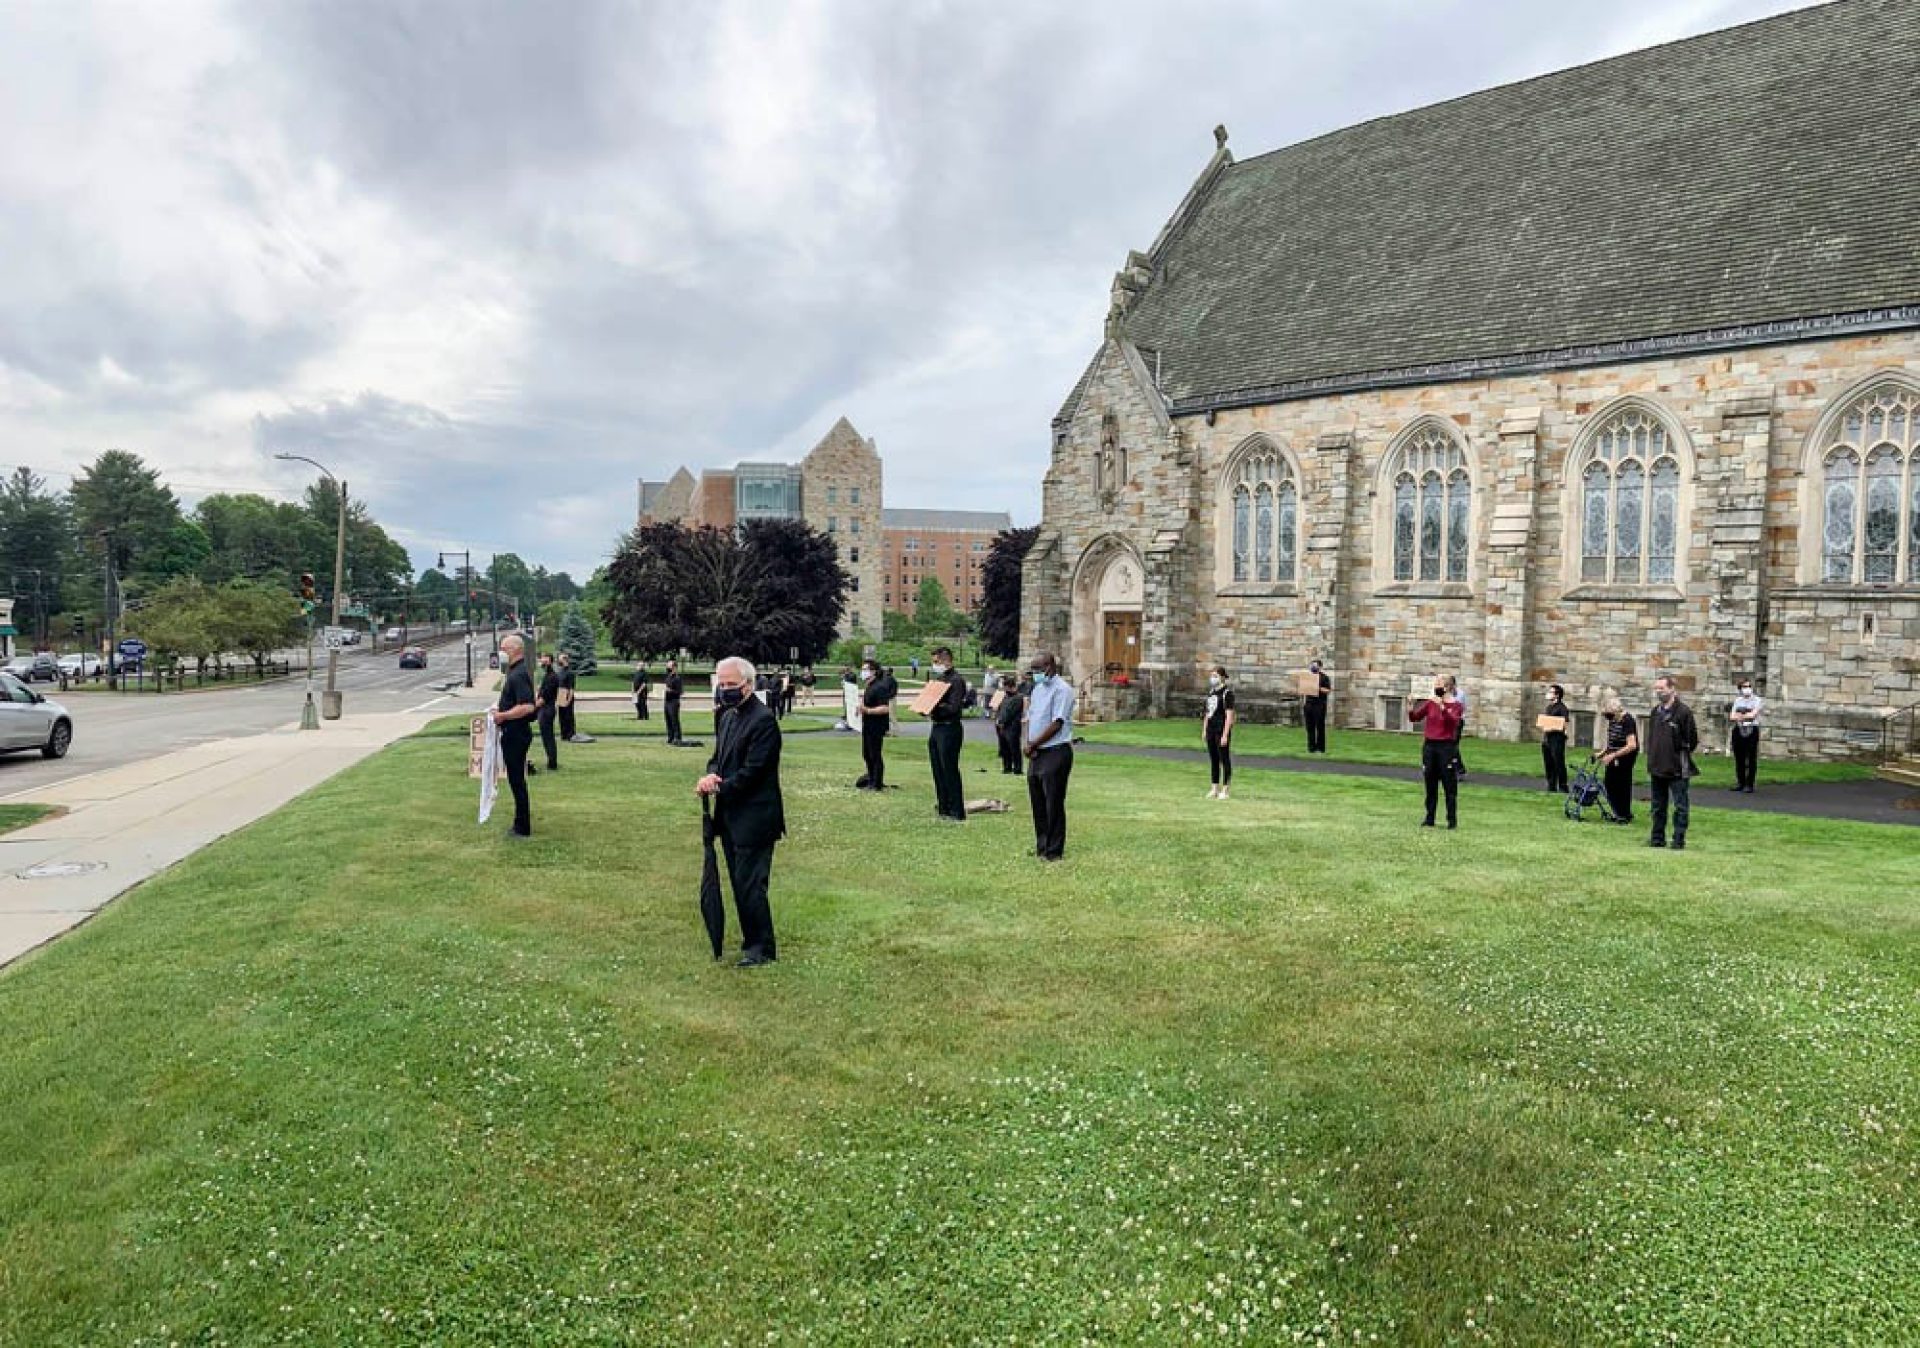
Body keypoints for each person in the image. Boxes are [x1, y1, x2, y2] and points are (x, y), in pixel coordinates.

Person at [696, 656, 784, 967]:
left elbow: (753, 772)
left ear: (748, 684)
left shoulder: (763, 721)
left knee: (751, 884)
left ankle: (762, 947)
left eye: (731, 684)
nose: (725, 689)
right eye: (721, 684)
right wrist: (710, 775)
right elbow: (718, 758)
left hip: (756, 817)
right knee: (738, 880)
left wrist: (720, 787)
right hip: (730, 816)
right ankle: (751, 940)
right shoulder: (727, 717)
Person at [1024, 652, 1075, 860]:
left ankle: (1054, 850)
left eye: (1037, 670)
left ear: (1049, 667)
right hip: (1037, 751)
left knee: (1053, 801)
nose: (1035, 674)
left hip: (1055, 750)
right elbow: (1032, 718)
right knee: (1038, 801)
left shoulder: (1062, 690)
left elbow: (1057, 723)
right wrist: (1028, 743)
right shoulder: (1038, 689)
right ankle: (1042, 845)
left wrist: (1035, 742)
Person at [489, 634, 537, 839]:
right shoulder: (514, 672)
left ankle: (522, 827)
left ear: (515, 650)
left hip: (516, 733)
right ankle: (520, 822)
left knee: (517, 781)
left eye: (504, 649)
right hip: (512, 732)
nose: (501, 653)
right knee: (515, 779)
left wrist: (503, 715)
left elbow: (527, 706)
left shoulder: (518, 675)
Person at [1645, 673, 1699, 850]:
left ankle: (1678, 839)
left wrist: (1678, 751)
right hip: (1657, 766)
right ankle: (1657, 837)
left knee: (1680, 805)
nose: (1659, 692)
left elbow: (1692, 738)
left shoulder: (1683, 712)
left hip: (1677, 767)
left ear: (1671, 689)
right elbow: (1651, 737)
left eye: (1662, 688)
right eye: (1657, 688)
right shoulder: (1655, 712)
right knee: (1657, 805)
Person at [1409, 678, 1465, 828]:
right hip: (1430, 746)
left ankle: (1451, 820)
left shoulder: (1456, 705)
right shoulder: (1430, 703)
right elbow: (1415, 717)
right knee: (1430, 783)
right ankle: (1429, 818)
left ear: (1446, 688)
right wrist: (1410, 706)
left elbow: (1453, 722)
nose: (1435, 688)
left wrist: (1442, 707)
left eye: (1438, 686)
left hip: (1445, 747)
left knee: (1449, 785)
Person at [925, 645, 969, 821]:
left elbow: (954, 707)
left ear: (946, 660)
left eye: (937, 661)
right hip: (937, 727)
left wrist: (935, 706)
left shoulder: (956, 680)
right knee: (937, 769)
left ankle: (956, 810)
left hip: (950, 727)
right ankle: (943, 806)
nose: (935, 665)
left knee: (949, 769)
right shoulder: (940, 679)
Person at [1596, 695, 1639, 824]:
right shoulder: (1614, 719)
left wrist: (1613, 755)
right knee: (1609, 782)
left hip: (1625, 756)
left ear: (1615, 711)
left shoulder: (1627, 720)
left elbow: (1632, 745)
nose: (1607, 716)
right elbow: (1612, 739)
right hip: (1613, 753)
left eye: (1608, 713)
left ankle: (1624, 814)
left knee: (1621, 784)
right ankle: (1617, 811)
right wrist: (1603, 752)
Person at [858, 658, 896, 788]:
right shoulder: (869, 686)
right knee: (867, 753)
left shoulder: (879, 687)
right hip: (867, 724)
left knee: (875, 754)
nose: (863, 672)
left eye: (865, 669)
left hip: (876, 725)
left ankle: (877, 782)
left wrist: (868, 710)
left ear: (873, 671)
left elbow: (885, 708)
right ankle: (870, 777)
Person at [1204, 666, 1235, 799]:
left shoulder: (1227, 694)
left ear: (1222, 677)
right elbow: (1208, 712)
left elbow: (1229, 716)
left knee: (1224, 759)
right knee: (1214, 759)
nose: (1213, 678)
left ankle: (1225, 790)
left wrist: (1225, 734)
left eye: (1215, 675)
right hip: (1211, 727)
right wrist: (1205, 729)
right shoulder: (1211, 692)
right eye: (1212, 675)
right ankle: (1214, 788)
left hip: (1221, 728)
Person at [1730, 676, 1763, 793]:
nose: (1747, 689)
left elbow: (1753, 715)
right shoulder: (1738, 701)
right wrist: (1744, 716)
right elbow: (1732, 716)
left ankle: (1749, 784)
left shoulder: (1757, 700)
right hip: (1739, 729)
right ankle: (1740, 782)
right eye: (1744, 687)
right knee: (1739, 757)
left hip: (1752, 729)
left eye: (1749, 686)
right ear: (1740, 689)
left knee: (1751, 757)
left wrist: (1741, 716)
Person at [1541, 683, 1571, 794]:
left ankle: (1563, 786)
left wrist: (1552, 727)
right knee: (1548, 762)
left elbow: (1565, 723)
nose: (1548, 694)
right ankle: (1551, 785)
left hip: (1557, 739)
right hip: (1547, 738)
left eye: (1551, 692)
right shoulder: (1549, 707)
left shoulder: (1562, 708)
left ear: (1557, 695)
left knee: (1558, 762)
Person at [994, 674, 1025, 775]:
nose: (1005, 689)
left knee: (1014, 748)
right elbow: (1001, 710)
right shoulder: (1005, 697)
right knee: (1004, 748)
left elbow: (1010, 712)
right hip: (1003, 727)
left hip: (1012, 727)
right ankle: (1007, 767)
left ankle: (1017, 768)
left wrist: (1002, 721)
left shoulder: (1018, 698)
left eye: (1006, 687)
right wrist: (998, 720)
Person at [536, 651, 562, 772]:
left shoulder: (552, 677)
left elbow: (544, 697)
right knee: (547, 737)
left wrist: (533, 707)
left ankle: (552, 763)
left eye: (544, 660)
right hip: (545, 709)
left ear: (549, 661)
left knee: (548, 737)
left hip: (547, 709)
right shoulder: (547, 675)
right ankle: (551, 761)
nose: (541, 662)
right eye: (541, 659)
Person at [1303, 659, 1331, 753]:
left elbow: (1327, 690)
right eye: (1312, 665)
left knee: (1320, 727)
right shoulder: (1308, 677)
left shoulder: (1324, 678)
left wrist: (1317, 688)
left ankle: (1320, 748)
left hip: (1319, 705)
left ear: (1320, 667)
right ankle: (1311, 748)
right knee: (1309, 727)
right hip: (1309, 704)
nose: (1313, 667)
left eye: (1315, 665)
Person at [555, 652, 580, 742]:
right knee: (562, 715)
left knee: (568, 715)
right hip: (561, 694)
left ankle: (570, 734)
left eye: (560, 658)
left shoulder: (570, 673)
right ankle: (564, 734)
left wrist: (569, 699)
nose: (558, 660)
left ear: (565, 659)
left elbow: (571, 688)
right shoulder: (560, 671)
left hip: (567, 693)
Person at [663, 659, 685, 746]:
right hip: (667, 701)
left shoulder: (677, 678)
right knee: (668, 720)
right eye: (667, 666)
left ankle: (677, 738)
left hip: (674, 702)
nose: (668, 668)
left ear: (674, 667)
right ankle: (670, 737)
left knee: (674, 720)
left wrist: (670, 690)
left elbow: (680, 692)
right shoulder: (668, 677)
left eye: (670, 666)